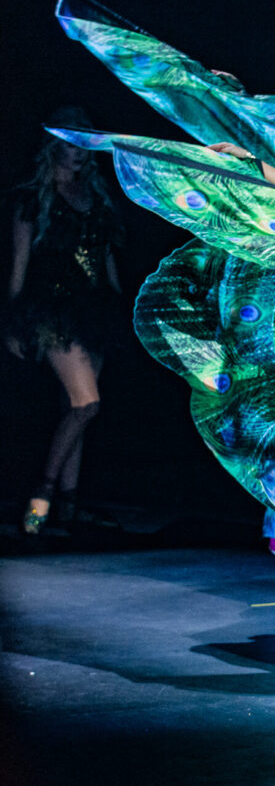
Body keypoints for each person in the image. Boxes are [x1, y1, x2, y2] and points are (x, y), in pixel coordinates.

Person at [6, 113, 124, 534]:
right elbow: (19, 269)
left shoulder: (94, 193)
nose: (80, 153)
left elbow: (106, 256)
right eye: (72, 144)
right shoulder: (33, 198)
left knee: (76, 410)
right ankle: (43, 494)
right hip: (51, 309)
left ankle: (69, 507)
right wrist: (14, 323)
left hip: (95, 309)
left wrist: (117, 301)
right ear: (54, 145)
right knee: (85, 403)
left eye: (84, 145)